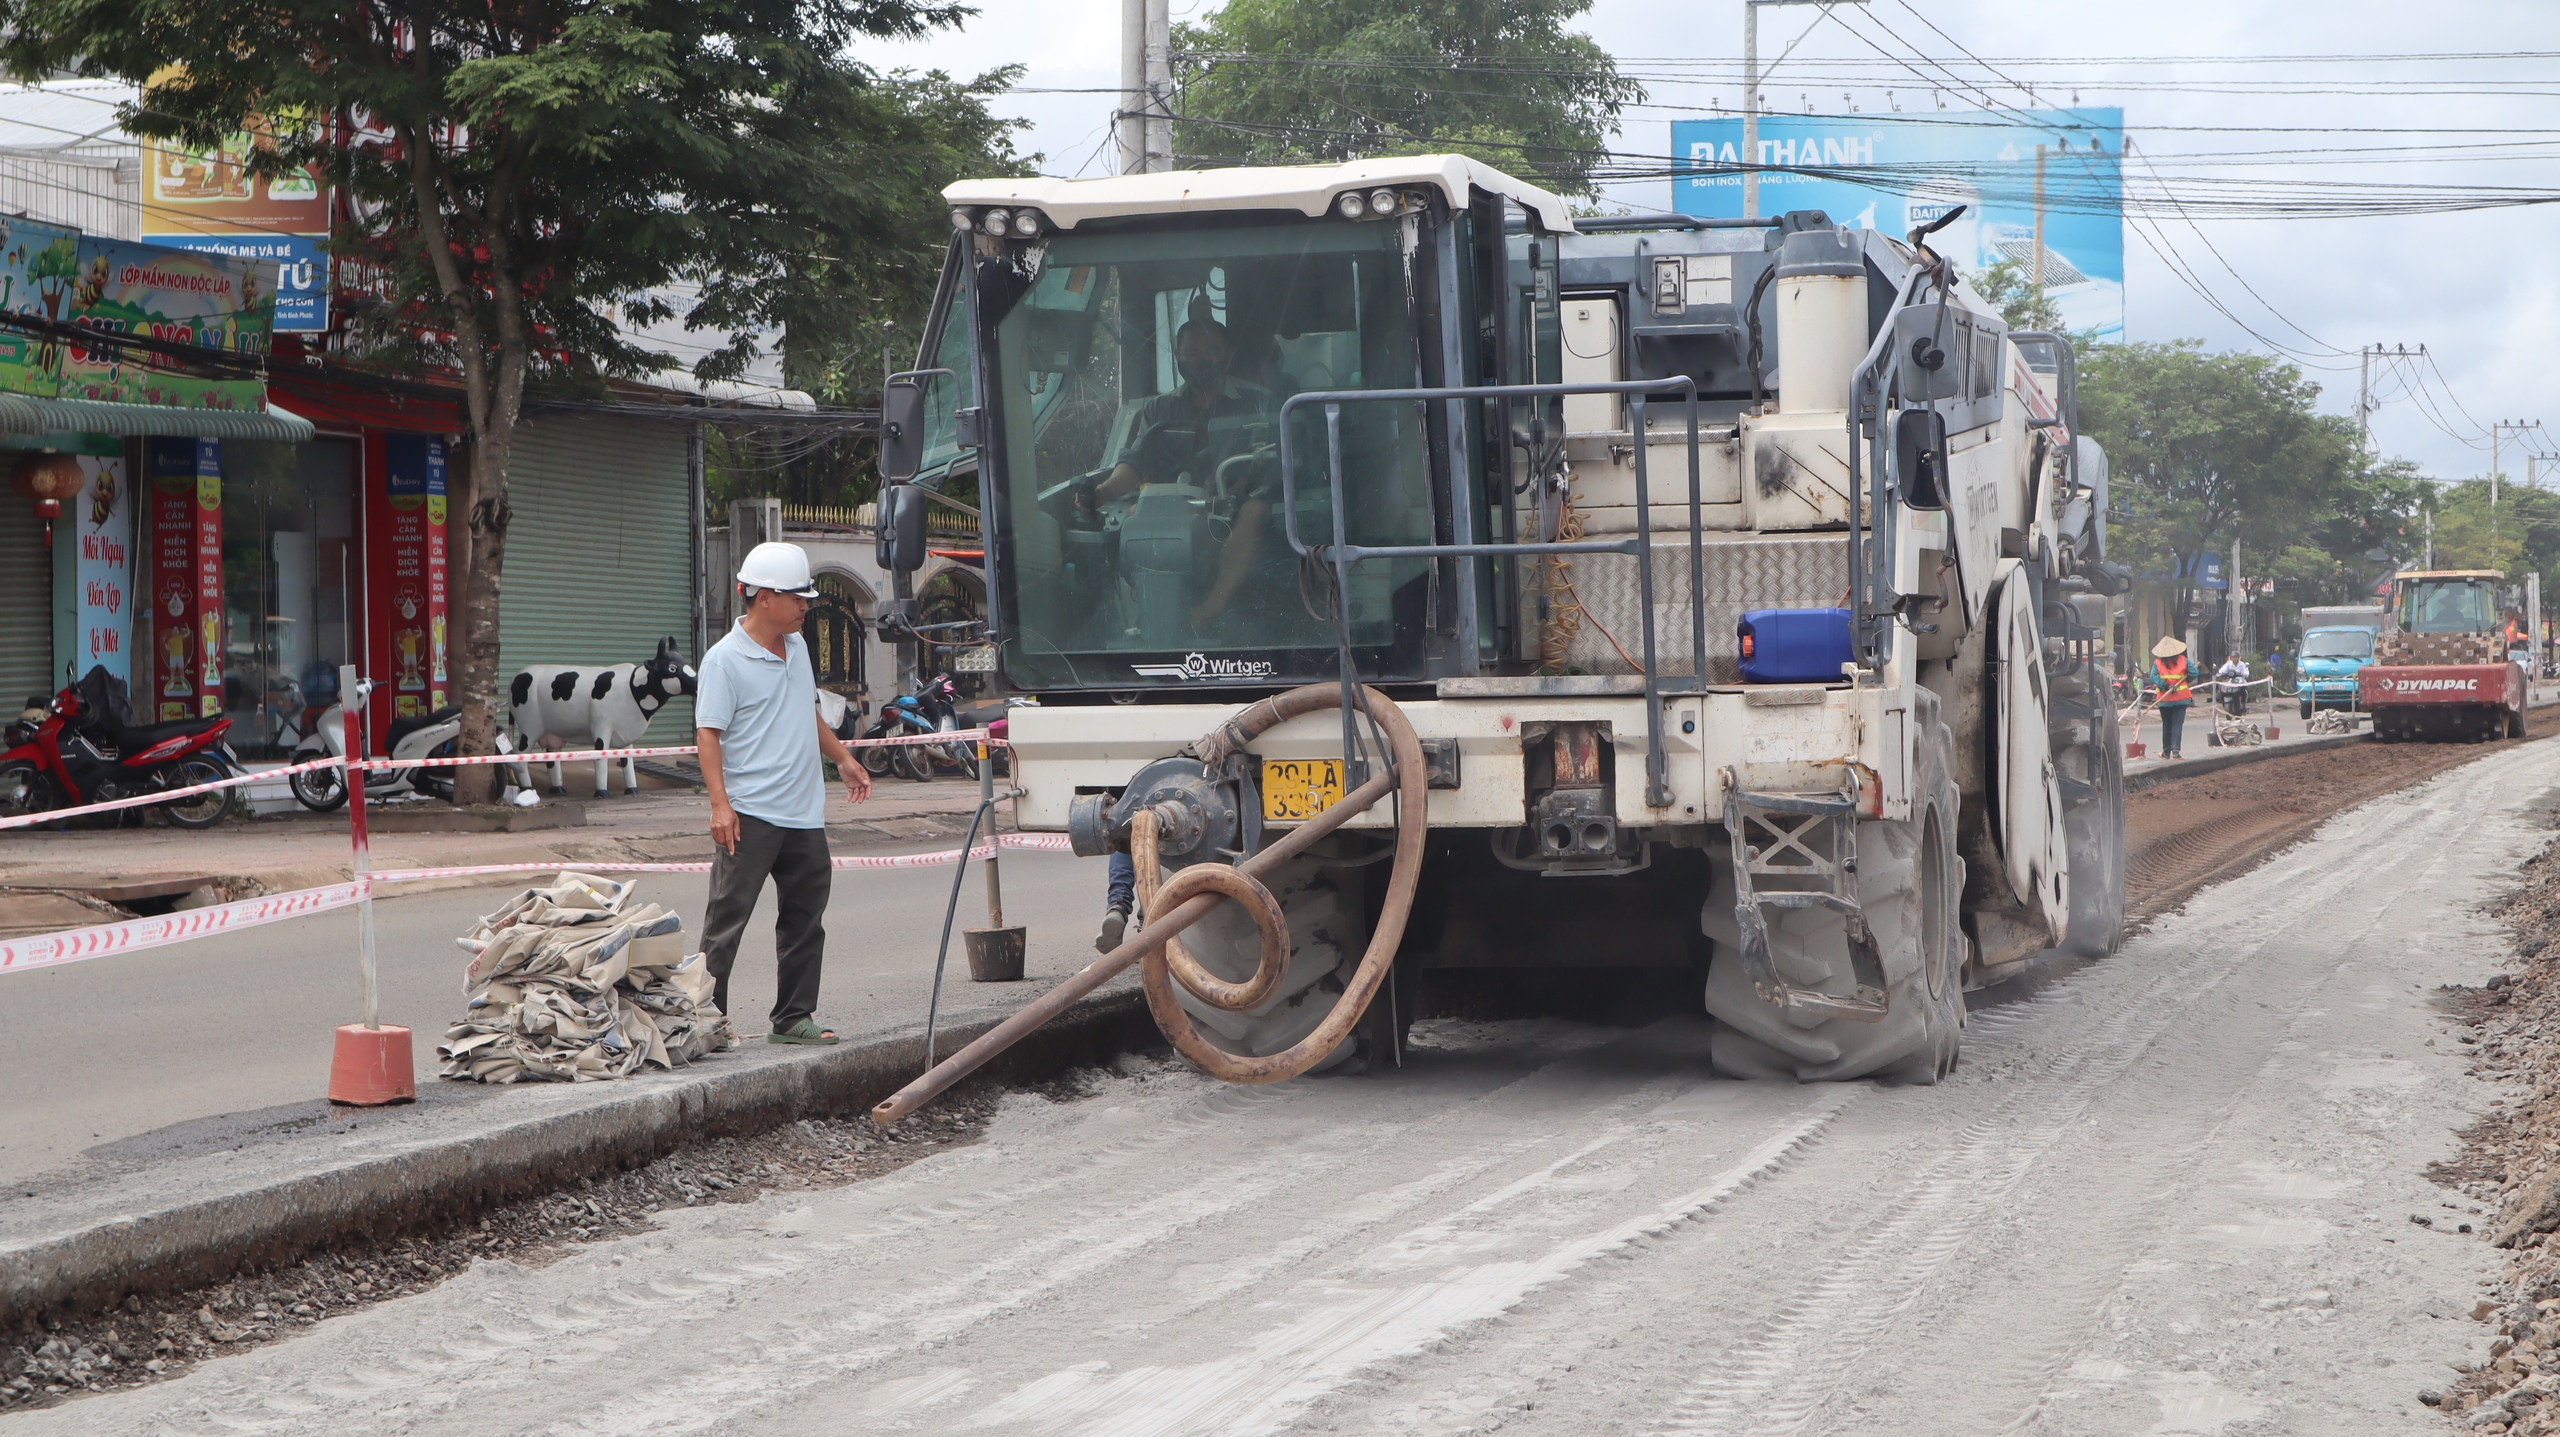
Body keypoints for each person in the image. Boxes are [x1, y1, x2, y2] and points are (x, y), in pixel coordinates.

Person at [696, 541, 870, 1045]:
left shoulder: (796, 648)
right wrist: (719, 805)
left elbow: (805, 712)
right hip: (750, 815)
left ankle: (793, 1018)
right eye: (798, 597)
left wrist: (842, 759)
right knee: (726, 924)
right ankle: (706, 1022)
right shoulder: (724, 661)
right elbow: (709, 735)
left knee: (804, 921)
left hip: (803, 814)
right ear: (764, 597)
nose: (806, 605)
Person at [1084, 316, 1277, 629]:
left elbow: (1268, 466)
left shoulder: (1258, 403)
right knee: (1136, 515)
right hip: (1174, 505)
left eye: (1212, 352)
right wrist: (1100, 494)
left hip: (1235, 506)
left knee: (1255, 511)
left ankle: (1209, 610)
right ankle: (1153, 618)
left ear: (1229, 355)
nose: (1202, 361)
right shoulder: (1157, 410)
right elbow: (1134, 465)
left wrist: (1237, 490)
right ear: (1177, 356)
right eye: (1192, 353)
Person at [2151, 635, 2194, 759]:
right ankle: (2176, 751)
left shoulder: (2157, 663)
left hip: (2164, 700)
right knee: (2177, 724)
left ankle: (2166, 752)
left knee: (2167, 724)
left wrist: (2165, 686)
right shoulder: (2183, 660)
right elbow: (2194, 673)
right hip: (2181, 699)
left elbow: (2154, 677)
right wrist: (2186, 680)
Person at [2214, 652, 2250, 717]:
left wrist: (2244, 674)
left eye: (2236, 657)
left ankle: (2242, 704)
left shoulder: (2242, 664)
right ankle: (2222, 702)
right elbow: (2222, 670)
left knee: (2243, 689)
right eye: (2233, 657)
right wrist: (2219, 673)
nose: (2234, 658)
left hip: (2239, 680)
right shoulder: (2228, 664)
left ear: (2238, 658)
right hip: (2230, 681)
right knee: (2221, 688)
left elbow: (2246, 672)